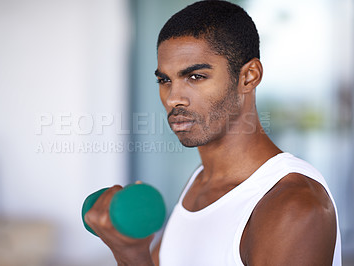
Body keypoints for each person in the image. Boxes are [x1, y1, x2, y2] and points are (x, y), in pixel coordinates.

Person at [84, 1, 342, 265]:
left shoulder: (293, 205)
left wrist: (131, 255)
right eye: (165, 80)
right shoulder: (200, 183)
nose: (173, 98)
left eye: (195, 77)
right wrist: (127, 249)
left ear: (249, 77)